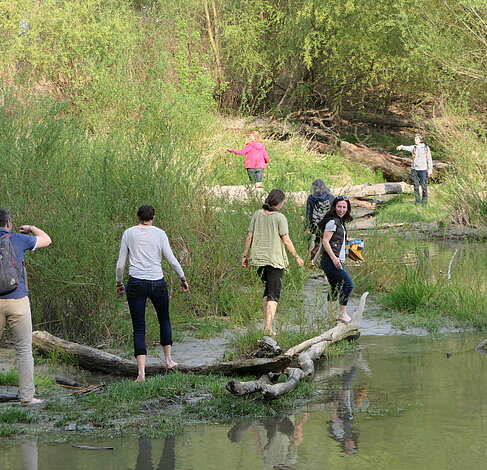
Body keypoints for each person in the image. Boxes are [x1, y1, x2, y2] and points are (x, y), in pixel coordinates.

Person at [116, 205, 189, 382]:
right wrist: (182, 277)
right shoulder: (160, 233)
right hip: (157, 282)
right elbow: (171, 259)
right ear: (153, 217)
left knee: (139, 327)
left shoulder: (129, 233)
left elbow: (120, 264)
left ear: (137, 217)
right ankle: (169, 360)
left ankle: (141, 373)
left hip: (136, 283)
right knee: (164, 319)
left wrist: (119, 282)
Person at [0, 209, 52, 406]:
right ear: (8, 223)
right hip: (18, 300)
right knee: (23, 350)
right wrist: (31, 228)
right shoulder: (18, 239)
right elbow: (46, 239)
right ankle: (27, 398)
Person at [242, 189, 304, 334]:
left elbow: (249, 236)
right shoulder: (279, 217)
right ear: (280, 203)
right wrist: (296, 256)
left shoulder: (257, 214)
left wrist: (245, 255)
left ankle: (267, 324)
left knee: (267, 290)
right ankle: (268, 328)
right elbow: (286, 239)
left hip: (258, 260)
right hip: (274, 260)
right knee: (274, 294)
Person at [317, 196, 354, 324]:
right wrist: (334, 258)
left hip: (331, 260)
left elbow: (334, 239)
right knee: (348, 284)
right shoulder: (333, 222)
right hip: (330, 260)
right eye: (339, 206)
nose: (341, 209)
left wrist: (348, 241)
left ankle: (330, 316)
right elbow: (325, 241)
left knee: (335, 286)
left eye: (344, 207)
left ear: (347, 208)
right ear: (334, 207)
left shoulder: (339, 222)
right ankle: (342, 314)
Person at [396, 133, 433, 205]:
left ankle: (424, 202)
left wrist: (430, 170)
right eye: (415, 138)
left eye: (416, 139)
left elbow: (429, 159)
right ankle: (417, 201)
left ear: (420, 140)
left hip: (423, 170)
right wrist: (401, 147)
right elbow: (407, 147)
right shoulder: (414, 147)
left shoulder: (426, 148)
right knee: (416, 186)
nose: (415, 140)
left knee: (424, 186)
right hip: (414, 169)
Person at [306, 179, 335, 260]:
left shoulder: (311, 198)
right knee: (328, 242)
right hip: (328, 224)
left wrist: (307, 227)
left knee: (316, 243)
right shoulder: (331, 198)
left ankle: (312, 261)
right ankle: (325, 260)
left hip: (315, 225)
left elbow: (308, 213)